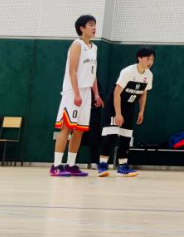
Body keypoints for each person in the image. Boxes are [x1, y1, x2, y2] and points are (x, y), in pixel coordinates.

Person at [51, 15, 103, 177]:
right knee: (66, 128)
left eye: (95, 25)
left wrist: (96, 94)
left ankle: (71, 165)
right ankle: (56, 166)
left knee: (80, 130)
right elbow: (72, 71)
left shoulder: (94, 47)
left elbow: (93, 73)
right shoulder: (77, 44)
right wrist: (77, 93)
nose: (94, 28)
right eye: (91, 25)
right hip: (73, 91)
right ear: (82, 28)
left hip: (87, 92)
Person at [97, 48, 155, 177]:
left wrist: (141, 111)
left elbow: (144, 93)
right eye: (148, 58)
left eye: (152, 59)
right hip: (114, 105)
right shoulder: (128, 71)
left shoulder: (149, 75)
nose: (150, 62)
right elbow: (117, 92)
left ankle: (122, 167)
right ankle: (102, 166)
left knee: (125, 137)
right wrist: (118, 114)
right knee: (111, 135)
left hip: (129, 106)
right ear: (139, 58)